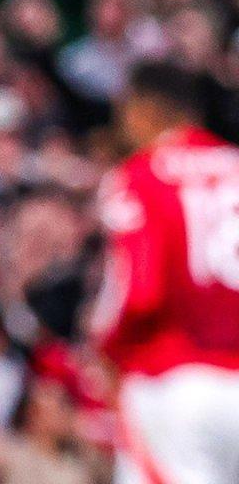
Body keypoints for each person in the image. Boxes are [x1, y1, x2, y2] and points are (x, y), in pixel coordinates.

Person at [92, 60, 239, 484]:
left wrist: (105, 348)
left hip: (174, 383)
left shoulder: (141, 174)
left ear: (143, 107)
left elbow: (139, 294)